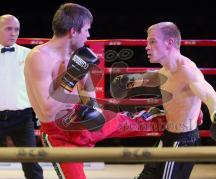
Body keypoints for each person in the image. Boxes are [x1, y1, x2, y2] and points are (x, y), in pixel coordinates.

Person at [24, 3, 167, 179]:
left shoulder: (78, 54)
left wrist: (92, 108)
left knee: (129, 122)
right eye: (86, 29)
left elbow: (89, 93)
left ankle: (173, 118)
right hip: (58, 133)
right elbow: (47, 109)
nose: (89, 35)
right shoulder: (40, 57)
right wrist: (72, 75)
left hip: (81, 119)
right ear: (73, 31)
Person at [111, 22, 216, 179]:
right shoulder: (167, 69)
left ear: (169, 42)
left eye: (153, 41)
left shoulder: (187, 70)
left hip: (182, 141)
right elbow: (155, 77)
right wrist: (131, 80)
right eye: (147, 42)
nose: (147, 47)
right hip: (170, 135)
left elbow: (208, 94)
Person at [0, 14, 43, 179]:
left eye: (16, 29)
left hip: (22, 117)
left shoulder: (29, 55)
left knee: (31, 164)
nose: (13, 33)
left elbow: (39, 86)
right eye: (8, 29)